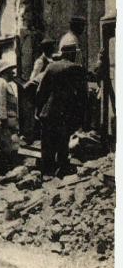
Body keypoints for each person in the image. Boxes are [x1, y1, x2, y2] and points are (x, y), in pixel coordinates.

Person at [36, 43, 87, 179]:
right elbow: (83, 96)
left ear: (62, 54)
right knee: (62, 143)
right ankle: (61, 171)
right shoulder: (77, 69)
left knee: (47, 144)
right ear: (73, 54)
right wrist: (81, 117)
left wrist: (38, 110)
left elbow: (41, 91)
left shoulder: (51, 67)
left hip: (48, 112)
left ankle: (47, 173)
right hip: (65, 113)